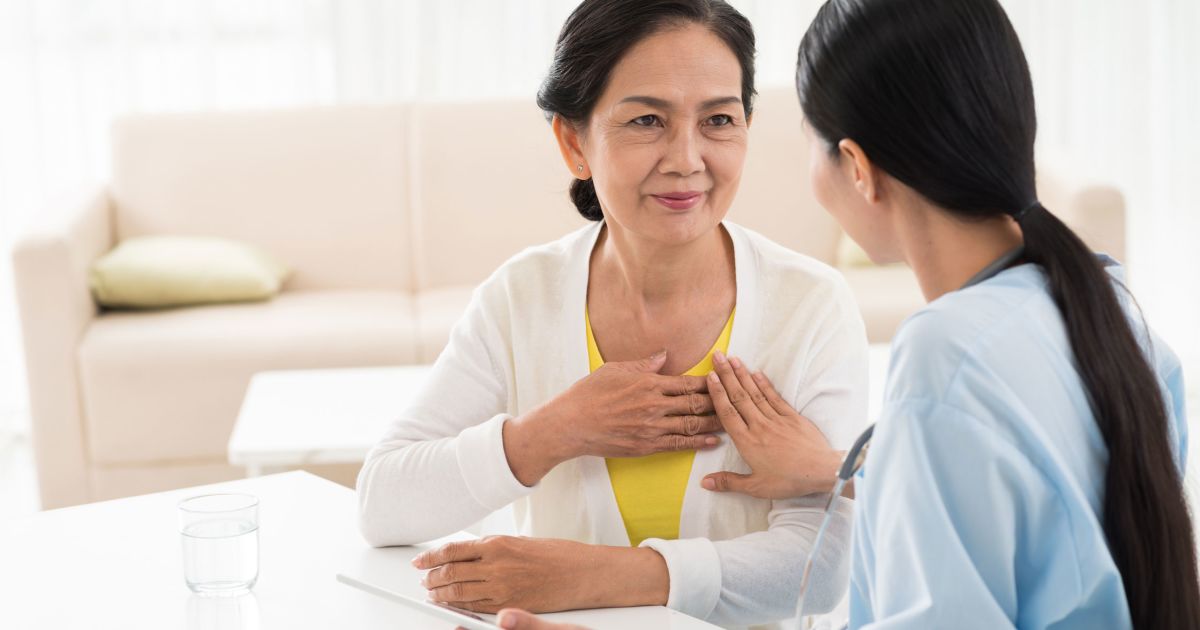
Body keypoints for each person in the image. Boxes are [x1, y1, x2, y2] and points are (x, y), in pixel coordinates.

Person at [495, 0, 1200, 628]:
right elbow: (1031, 509)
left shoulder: (945, 354)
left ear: (857, 168)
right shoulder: (1108, 306)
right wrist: (836, 467)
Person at [354, 0, 869, 626]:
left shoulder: (810, 306)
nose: (687, 159)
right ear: (574, 143)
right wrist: (551, 432)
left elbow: (820, 567)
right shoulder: (523, 295)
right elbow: (382, 503)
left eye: (718, 120)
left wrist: (589, 576)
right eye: (647, 120)